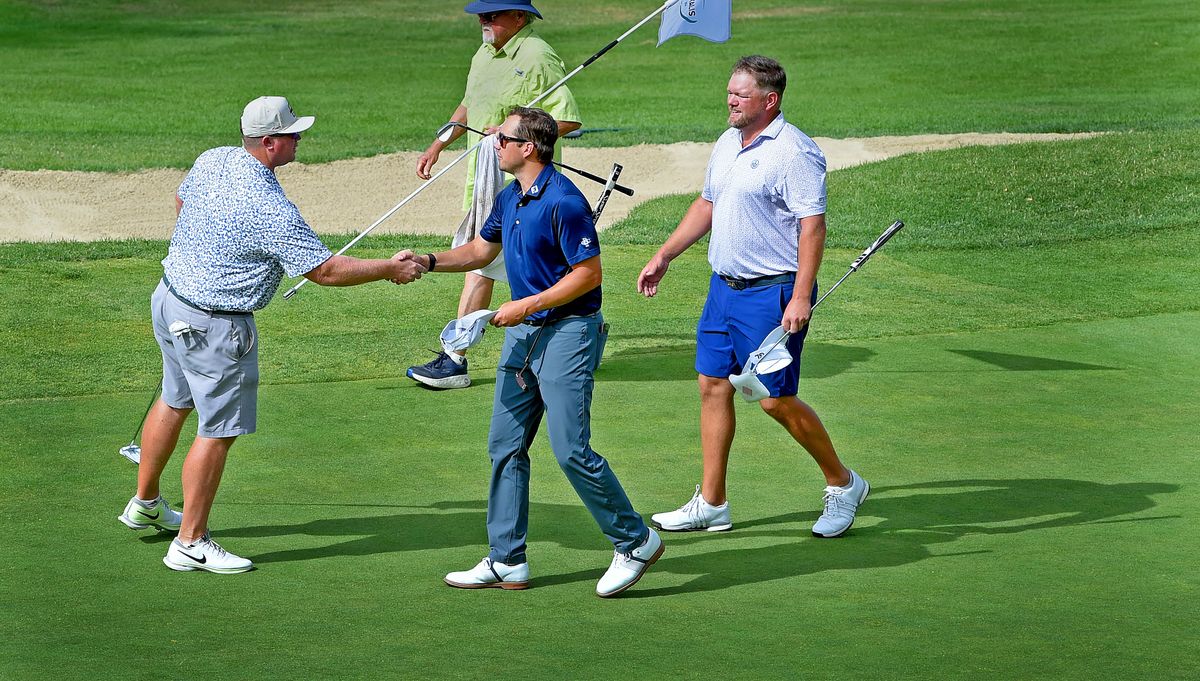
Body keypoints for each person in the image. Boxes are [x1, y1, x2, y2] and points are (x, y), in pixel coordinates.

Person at [117, 96, 426, 574]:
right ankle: (190, 542)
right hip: (215, 324)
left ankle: (145, 502)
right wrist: (389, 268)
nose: (299, 139)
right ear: (268, 142)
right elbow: (325, 271)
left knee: (175, 398)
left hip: (170, 300)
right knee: (218, 430)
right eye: (292, 134)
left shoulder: (214, 157)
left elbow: (182, 201)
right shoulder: (267, 204)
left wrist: (206, 254)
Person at [407, 107, 661, 597]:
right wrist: (429, 260)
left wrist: (526, 304)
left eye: (502, 137)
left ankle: (636, 541)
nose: (493, 143)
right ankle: (507, 559)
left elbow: (589, 275)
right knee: (505, 446)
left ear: (528, 148)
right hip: (525, 335)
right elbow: (481, 253)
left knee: (571, 450)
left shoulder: (565, 202)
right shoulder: (511, 197)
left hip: (568, 332)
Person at [636, 56, 870, 539]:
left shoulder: (794, 151)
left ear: (770, 100)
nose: (730, 101)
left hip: (773, 292)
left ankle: (842, 483)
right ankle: (713, 502)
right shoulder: (727, 142)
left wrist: (801, 295)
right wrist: (665, 255)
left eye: (740, 95)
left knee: (773, 400)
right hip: (723, 289)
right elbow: (708, 203)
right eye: (729, 92)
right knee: (712, 385)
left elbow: (812, 226)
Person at [407, 0, 581, 390]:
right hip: (484, 177)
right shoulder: (483, 54)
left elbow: (566, 119)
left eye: (493, 14)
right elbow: (468, 107)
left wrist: (507, 133)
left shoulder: (538, 55)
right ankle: (558, 345)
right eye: (482, 14)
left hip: (522, 181)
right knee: (487, 261)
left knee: (482, 262)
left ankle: (455, 358)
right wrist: (438, 144)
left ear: (519, 17)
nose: (484, 21)